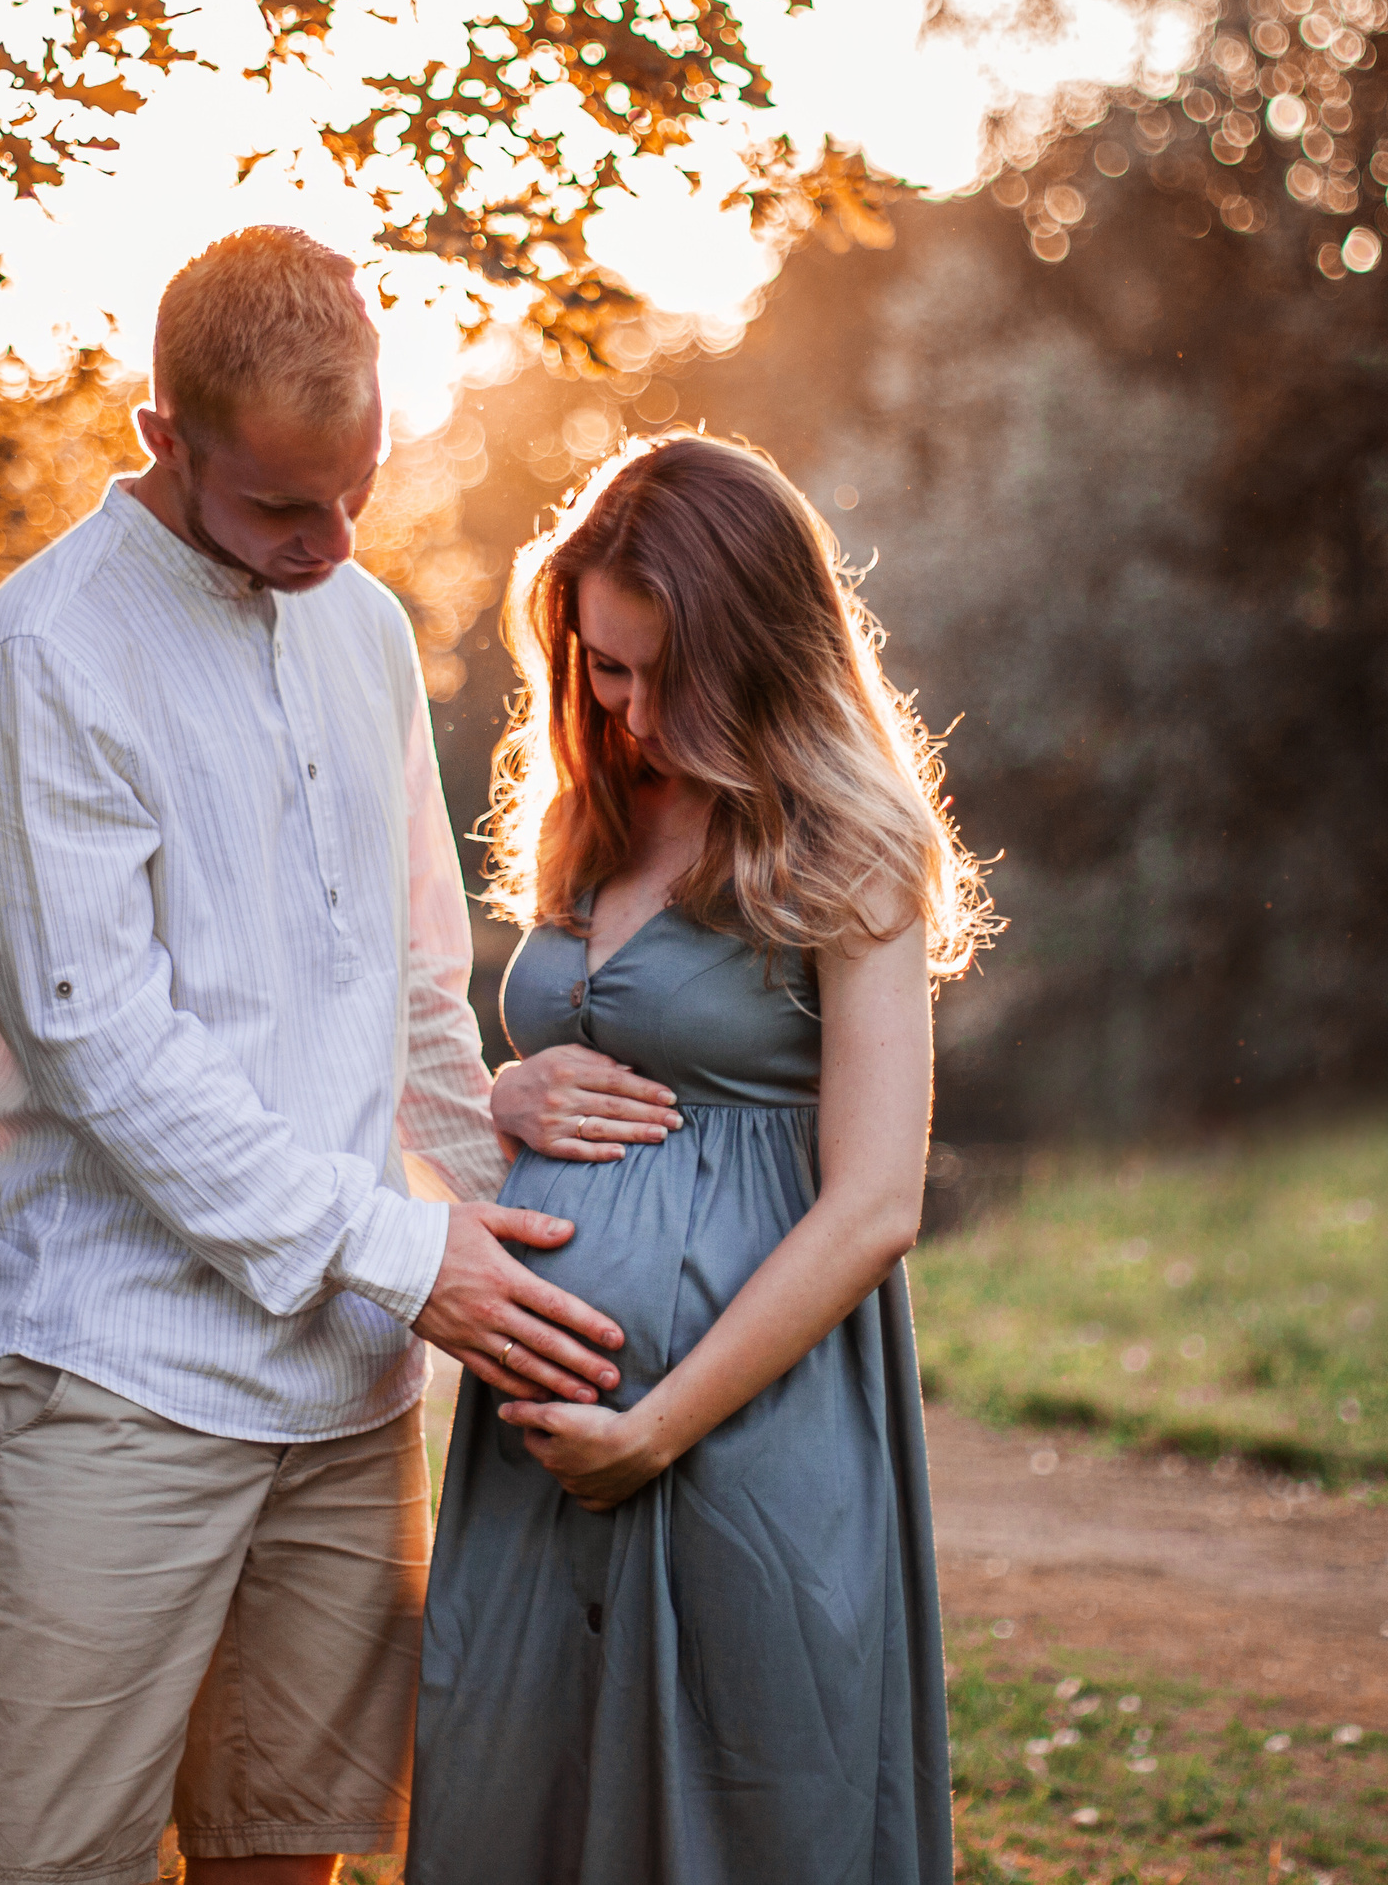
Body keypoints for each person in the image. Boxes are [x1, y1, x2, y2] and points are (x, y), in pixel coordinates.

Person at [0, 226, 629, 1885]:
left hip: (351, 1396)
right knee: (33, 1857)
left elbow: (415, 989)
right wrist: (406, 1252)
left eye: (355, 493)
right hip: (119, 1381)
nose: (326, 543)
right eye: (279, 508)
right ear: (162, 434)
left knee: (283, 1855)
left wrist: (523, 1229)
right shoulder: (44, 660)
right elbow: (112, 1052)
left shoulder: (363, 625)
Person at [407, 433, 998, 1884]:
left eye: (668, 672)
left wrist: (656, 1426)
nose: (631, 704)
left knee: (743, 1821)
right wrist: (510, 1088)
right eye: (604, 665)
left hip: (742, 1433)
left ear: (763, 649)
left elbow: (873, 1203)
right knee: (515, 1803)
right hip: (537, 1451)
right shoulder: (590, 802)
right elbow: (573, 1068)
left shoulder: (847, 840)